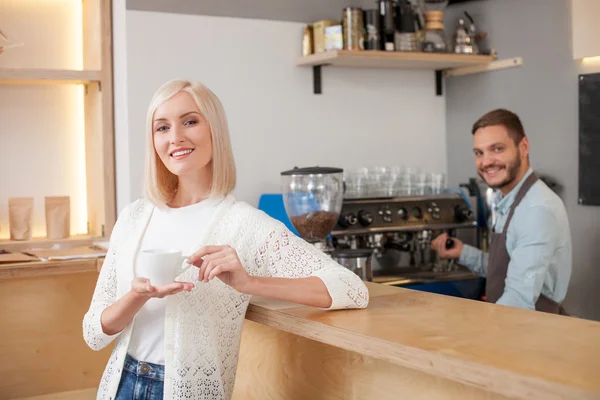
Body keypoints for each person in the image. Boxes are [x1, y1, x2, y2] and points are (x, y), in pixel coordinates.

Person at [82, 79, 369, 400]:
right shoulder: (134, 217)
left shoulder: (245, 224)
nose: (175, 136)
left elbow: (352, 289)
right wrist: (137, 296)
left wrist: (249, 284)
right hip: (122, 384)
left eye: (190, 121)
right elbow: (94, 332)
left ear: (214, 130)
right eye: (162, 127)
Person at [431, 109, 571, 314]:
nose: (486, 162)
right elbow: (507, 270)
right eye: (479, 153)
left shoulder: (537, 210)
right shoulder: (508, 199)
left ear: (523, 147)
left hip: (533, 334)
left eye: (497, 149)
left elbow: (518, 300)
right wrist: (463, 253)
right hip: (510, 328)